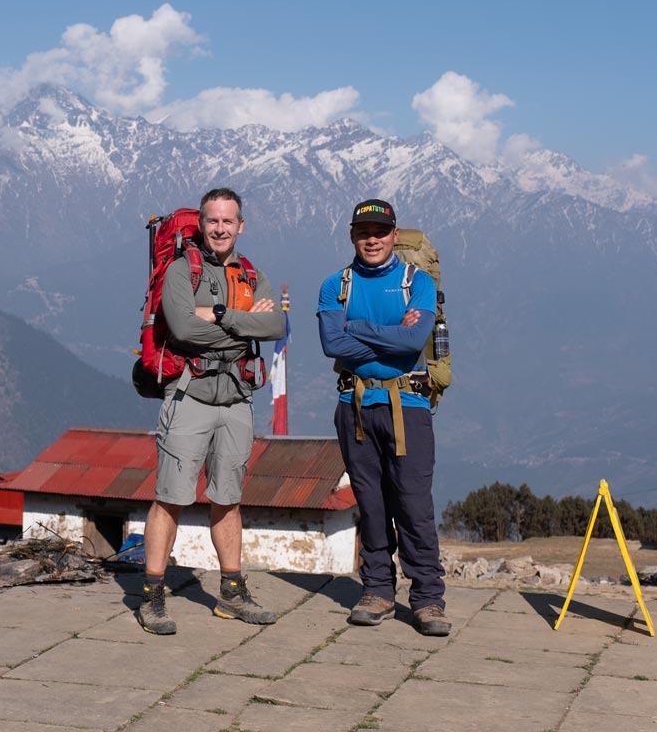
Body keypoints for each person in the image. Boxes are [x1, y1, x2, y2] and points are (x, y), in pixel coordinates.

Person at [137, 187, 287, 635]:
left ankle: (232, 593)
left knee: (229, 498)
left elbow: (277, 324)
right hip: (190, 395)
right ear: (201, 224)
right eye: (213, 221)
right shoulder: (182, 271)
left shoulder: (251, 272)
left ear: (241, 225)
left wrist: (217, 315)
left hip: (238, 398)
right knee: (171, 497)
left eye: (228, 221)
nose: (220, 229)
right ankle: (152, 596)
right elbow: (182, 329)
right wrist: (242, 321)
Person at [317, 198, 451, 636]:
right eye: (363, 232)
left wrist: (356, 328)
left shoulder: (420, 283)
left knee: (413, 505)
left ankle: (428, 599)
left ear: (395, 235)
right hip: (354, 407)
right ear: (352, 236)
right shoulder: (334, 285)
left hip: (407, 406)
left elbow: (414, 341)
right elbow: (332, 346)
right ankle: (377, 590)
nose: (371, 239)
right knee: (370, 503)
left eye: (380, 231)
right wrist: (389, 339)